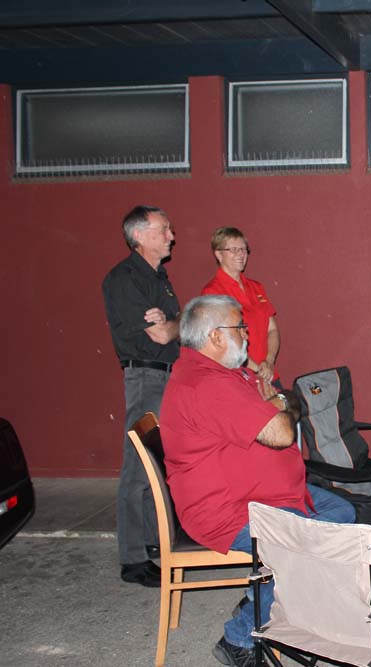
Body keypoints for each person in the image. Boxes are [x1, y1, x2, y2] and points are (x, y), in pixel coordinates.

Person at [159, 295, 355, 666]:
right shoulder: (207, 383)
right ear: (216, 336)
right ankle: (239, 638)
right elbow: (282, 432)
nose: (248, 335)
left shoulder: (228, 372)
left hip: (269, 495)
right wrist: (278, 405)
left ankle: (261, 595)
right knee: (312, 544)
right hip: (228, 511)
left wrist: (278, 402)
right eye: (241, 327)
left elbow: (290, 400)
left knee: (342, 515)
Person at [102, 205, 180, 587]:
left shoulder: (159, 278)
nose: (171, 236)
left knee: (157, 466)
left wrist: (173, 322)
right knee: (138, 467)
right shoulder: (124, 279)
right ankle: (132, 560)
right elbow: (163, 335)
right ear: (140, 236)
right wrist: (173, 324)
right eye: (164, 229)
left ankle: (152, 542)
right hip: (146, 377)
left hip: (165, 376)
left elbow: (173, 326)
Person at [200, 227, 281, 385]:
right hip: (240, 377)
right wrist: (257, 370)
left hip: (268, 374)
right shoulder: (212, 292)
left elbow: (272, 329)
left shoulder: (256, 287)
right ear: (219, 254)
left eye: (243, 249)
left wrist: (269, 361)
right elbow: (224, 341)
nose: (241, 254)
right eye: (233, 249)